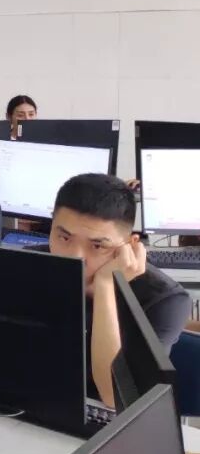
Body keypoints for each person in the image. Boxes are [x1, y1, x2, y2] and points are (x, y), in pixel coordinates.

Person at [42, 173, 189, 408]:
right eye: (64, 237)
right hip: (35, 407)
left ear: (129, 245)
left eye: (97, 245)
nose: (75, 256)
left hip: (109, 420)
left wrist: (106, 286)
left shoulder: (165, 300)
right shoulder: (29, 264)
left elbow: (115, 398)